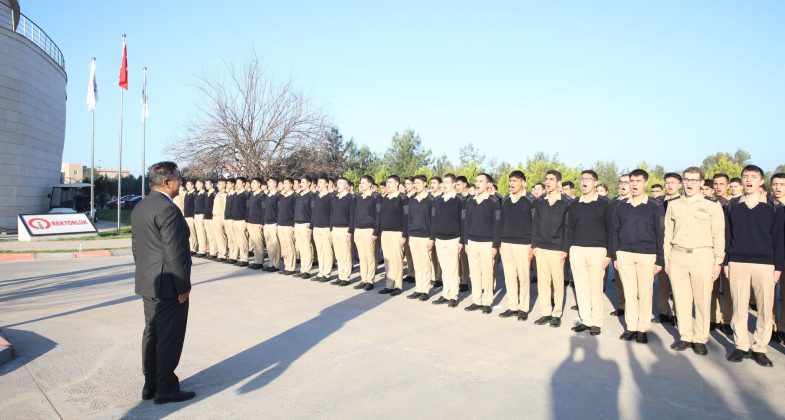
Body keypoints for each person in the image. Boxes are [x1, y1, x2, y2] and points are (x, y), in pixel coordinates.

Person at [131, 161, 195, 404]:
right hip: (169, 285)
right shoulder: (168, 209)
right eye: (179, 178)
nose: (181, 182)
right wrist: (183, 285)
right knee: (168, 336)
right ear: (167, 183)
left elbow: (136, 246)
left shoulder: (141, 206)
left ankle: (151, 384)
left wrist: (146, 271)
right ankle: (166, 387)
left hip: (150, 281)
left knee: (152, 334)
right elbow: (174, 252)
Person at [724, 165, 784, 367]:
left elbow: (779, 239)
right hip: (737, 262)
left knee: (765, 309)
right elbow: (727, 236)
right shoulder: (732, 206)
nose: (748, 180)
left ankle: (760, 348)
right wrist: (726, 262)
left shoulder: (774, 207)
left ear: (761, 181)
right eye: (745, 176)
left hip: (765, 264)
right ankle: (741, 345)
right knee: (739, 307)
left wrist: (778, 267)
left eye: (753, 177)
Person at [664, 167, 725, 357]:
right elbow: (668, 233)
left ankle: (700, 338)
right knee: (681, 300)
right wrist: (667, 258)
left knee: (702, 300)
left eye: (694, 180)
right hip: (678, 255)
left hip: (702, 256)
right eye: (687, 179)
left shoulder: (713, 205)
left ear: (701, 183)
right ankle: (685, 336)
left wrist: (718, 262)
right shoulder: (674, 205)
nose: (689, 183)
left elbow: (718, 235)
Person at [613, 169, 665, 344]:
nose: (634, 184)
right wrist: (616, 255)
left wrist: (659, 260)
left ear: (645, 183)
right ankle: (631, 327)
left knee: (644, 293)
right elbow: (615, 231)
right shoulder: (621, 205)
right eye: (631, 181)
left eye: (638, 181)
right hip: (625, 254)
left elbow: (660, 233)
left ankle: (642, 328)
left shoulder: (654, 206)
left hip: (647, 255)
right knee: (629, 293)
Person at [567, 170, 612, 336]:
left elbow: (610, 230)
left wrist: (609, 253)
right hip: (577, 249)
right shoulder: (574, 204)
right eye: (582, 179)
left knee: (595, 286)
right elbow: (569, 229)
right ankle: (585, 320)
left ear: (595, 182)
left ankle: (596, 321)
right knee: (581, 286)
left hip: (597, 250)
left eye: (588, 179)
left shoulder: (605, 204)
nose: (584, 182)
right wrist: (569, 249)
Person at [532, 170, 571, 327]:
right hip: (541, 247)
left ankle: (556, 313)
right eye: (546, 179)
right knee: (543, 282)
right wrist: (534, 245)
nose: (548, 182)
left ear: (558, 183)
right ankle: (546, 312)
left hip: (557, 248)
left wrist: (565, 248)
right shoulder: (540, 202)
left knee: (557, 282)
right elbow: (535, 225)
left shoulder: (565, 203)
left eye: (551, 179)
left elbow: (567, 227)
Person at [462, 173, 502, 314]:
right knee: (475, 273)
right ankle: (476, 300)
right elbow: (466, 223)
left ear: (488, 184)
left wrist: (495, 245)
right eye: (477, 181)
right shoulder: (470, 201)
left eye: (481, 181)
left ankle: (487, 302)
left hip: (487, 243)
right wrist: (466, 241)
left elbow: (497, 224)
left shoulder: (494, 201)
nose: (478, 184)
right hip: (472, 242)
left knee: (487, 273)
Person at [497, 170, 534, 321]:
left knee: (524, 277)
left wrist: (532, 245)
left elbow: (535, 224)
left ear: (523, 183)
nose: (511, 184)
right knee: (509, 277)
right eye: (510, 180)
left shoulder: (531, 200)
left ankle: (523, 308)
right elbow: (500, 223)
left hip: (523, 244)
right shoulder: (505, 200)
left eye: (515, 181)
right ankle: (512, 306)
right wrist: (499, 243)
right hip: (506, 244)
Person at [431, 174, 463, 308]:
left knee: (453, 268)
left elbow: (463, 221)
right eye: (443, 182)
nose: (444, 185)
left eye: (447, 183)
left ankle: (453, 295)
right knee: (444, 268)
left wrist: (461, 239)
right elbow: (434, 220)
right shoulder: (438, 200)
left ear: (454, 184)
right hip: (440, 238)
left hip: (453, 239)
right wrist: (433, 238)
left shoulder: (459, 200)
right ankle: (446, 293)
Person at [654, 173, 682, 325]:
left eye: (673, 182)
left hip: (678, 247)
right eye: (667, 182)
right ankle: (663, 312)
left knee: (678, 285)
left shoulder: (684, 202)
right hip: (661, 245)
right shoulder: (657, 202)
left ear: (680, 185)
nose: (670, 185)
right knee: (663, 283)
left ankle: (678, 314)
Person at [709, 173, 733, 334]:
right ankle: (712, 318)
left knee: (729, 290)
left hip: (728, 252)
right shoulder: (708, 204)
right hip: (710, 252)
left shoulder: (734, 205)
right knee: (711, 288)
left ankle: (726, 320)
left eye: (721, 184)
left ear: (728, 185)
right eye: (715, 184)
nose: (718, 187)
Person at [379, 175, 409, 295]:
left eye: (390, 182)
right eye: (387, 182)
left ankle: (398, 285)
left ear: (397, 183)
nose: (388, 184)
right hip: (385, 233)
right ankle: (389, 284)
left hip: (397, 233)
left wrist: (404, 235)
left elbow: (406, 217)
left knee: (397, 260)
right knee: (388, 260)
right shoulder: (385, 198)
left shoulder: (403, 198)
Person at [407, 175, 434, 301]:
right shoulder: (412, 199)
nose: (415, 185)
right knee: (417, 265)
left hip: (425, 236)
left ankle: (425, 290)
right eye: (414, 183)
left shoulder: (430, 199)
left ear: (425, 184)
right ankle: (418, 288)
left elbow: (434, 220)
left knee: (425, 265)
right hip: (413, 236)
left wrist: (431, 238)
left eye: (418, 183)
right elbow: (409, 218)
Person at [351, 175, 381, 291]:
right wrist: (353, 230)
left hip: (369, 230)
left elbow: (378, 216)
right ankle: (363, 279)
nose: (361, 184)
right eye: (361, 182)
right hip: (358, 230)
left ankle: (370, 280)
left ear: (370, 184)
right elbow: (354, 215)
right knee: (362, 257)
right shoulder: (358, 198)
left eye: (363, 182)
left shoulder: (375, 197)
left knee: (370, 256)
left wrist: (375, 232)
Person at [609, 173, 631, 316]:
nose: (623, 185)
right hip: (616, 245)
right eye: (621, 182)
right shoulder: (614, 202)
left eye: (626, 182)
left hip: (630, 245)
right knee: (619, 279)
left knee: (631, 282)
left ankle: (633, 308)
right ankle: (622, 305)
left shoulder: (634, 201)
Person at [330, 177, 355, 287]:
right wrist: (331, 228)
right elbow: (331, 214)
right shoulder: (335, 198)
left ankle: (346, 277)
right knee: (339, 255)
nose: (337, 185)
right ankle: (340, 275)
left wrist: (350, 230)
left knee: (345, 254)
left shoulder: (351, 198)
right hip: (335, 228)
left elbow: (352, 216)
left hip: (345, 229)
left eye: (340, 183)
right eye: (337, 183)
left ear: (347, 186)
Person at [310, 176, 334, 282]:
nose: (318, 184)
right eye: (317, 182)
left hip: (326, 227)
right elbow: (313, 213)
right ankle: (321, 272)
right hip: (316, 227)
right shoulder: (316, 197)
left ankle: (327, 273)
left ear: (327, 184)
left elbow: (333, 213)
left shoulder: (330, 197)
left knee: (327, 251)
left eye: (321, 182)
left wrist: (331, 227)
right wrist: (311, 226)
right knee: (319, 251)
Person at [771, 173, 785, 343]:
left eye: (782, 184)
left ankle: (782, 327)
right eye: (775, 184)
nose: (778, 187)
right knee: (769, 297)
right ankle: (772, 327)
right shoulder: (767, 206)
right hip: (771, 257)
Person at [294, 176, 315, 278]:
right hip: (297, 224)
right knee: (301, 248)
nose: (301, 184)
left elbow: (313, 212)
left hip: (306, 224)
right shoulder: (298, 195)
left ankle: (307, 270)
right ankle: (302, 269)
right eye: (300, 182)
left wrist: (310, 226)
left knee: (307, 247)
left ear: (309, 183)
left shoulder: (311, 196)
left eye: (303, 182)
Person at [277, 178, 298, 275]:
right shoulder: (282, 196)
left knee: (290, 247)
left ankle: (291, 267)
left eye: (286, 183)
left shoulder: (294, 196)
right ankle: (286, 266)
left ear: (291, 185)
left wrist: (293, 225)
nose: (284, 185)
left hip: (289, 225)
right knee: (284, 247)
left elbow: (295, 212)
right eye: (283, 183)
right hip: (280, 224)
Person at [455, 176, 471, 292]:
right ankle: (458, 279)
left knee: (464, 259)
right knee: (457, 259)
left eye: (459, 184)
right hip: (456, 231)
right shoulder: (455, 198)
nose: (457, 187)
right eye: (455, 185)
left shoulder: (470, 199)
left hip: (466, 232)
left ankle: (464, 281)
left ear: (465, 185)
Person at [246, 178, 265, 270]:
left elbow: (263, 210)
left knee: (258, 243)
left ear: (259, 184)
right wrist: (247, 220)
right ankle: (256, 260)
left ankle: (260, 262)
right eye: (251, 183)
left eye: (253, 183)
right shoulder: (251, 195)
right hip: (250, 221)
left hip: (257, 222)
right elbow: (248, 208)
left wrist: (262, 222)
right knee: (254, 243)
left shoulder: (262, 195)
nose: (251, 185)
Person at [263, 178, 281, 272]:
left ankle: (276, 264)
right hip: (267, 223)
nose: (268, 184)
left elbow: (279, 211)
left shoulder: (278, 196)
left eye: (270, 182)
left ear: (275, 184)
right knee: (269, 245)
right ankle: (271, 263)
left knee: (275, 245)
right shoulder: (267, 196)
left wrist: (278, 223)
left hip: (274, 223)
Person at [231, 177, 249, 267]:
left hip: (242, 220)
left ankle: (244, 259)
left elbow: (248, 209)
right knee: (237, 240)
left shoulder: (246, 194)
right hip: (235, 220)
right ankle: (238, 257)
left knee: (243, 241)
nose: (237, 184)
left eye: (239, 182)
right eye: (236, 182)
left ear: (243, 184)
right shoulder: (235, 194)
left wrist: (246, 221)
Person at [209, 179, 228, 262]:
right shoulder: (218, 194)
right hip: (215, 216)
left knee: (221, 236)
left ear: (224, 185)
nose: (217, 186)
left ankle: (223, 254)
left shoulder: (225, 194)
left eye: (219, 184)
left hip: (220, 216)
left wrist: (223, 219)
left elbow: (225, 208)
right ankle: (220, 253)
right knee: (217, 236)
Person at [193, 180, 208, 258]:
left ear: (202, 185)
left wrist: (204, 217)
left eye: (197, 184)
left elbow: (206, 206)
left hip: (201, 215)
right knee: (198, 233)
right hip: (196, 215)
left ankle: (203, 250)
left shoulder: (204, 194)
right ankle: (200, 249)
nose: (196, 185)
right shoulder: (197, 194)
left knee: (202, 234)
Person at [223, 179, 237, 264]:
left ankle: (234, 256)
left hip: (232, 219)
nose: (227, 185)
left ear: (233, 184)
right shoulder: (228, 195)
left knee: (234, 238)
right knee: (230, 239)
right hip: (227, 218)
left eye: (228, 183)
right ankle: (231, 255)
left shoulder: (235, 194)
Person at [202, 180, 216, 260]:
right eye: (205, 183)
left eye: (207, 184)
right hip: (206, 217)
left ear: (211, 184)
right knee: (209, 236)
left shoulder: (214, 194)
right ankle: (210, 251)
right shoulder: (207, 194)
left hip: (211, 217)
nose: (206, 185)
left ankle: (213, 252)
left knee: (212, 236)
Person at [183, 180, 197, 255]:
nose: (187, 186)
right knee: (188, 234)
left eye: (188, 185)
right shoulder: (187, 194)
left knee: (192, 234)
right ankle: (190, 248)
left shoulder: (194, 194)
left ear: (192, 186)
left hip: (191, 216)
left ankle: (193, 249)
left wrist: (194, 216)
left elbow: (196, 206)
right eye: (186, 185)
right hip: (186, 216)